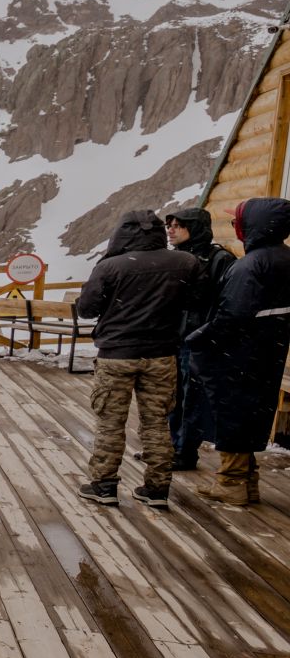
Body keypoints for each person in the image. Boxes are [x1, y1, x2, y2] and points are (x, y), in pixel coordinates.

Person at [74, 210, 204, 510]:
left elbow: (87, 309)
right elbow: (196, 300)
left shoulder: (110, 266)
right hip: (161, 354)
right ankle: (157, 488)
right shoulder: (185, 263)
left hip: (117, 354)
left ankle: (103, 484)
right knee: (157, 421)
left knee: (110, 421)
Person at [185, 197, 290, 508]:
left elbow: (232, 315)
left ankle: (230, 482)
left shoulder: (250, 265)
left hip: (239, 352)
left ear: (254, 225)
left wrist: (199, 337)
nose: (235, 227)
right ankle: (247, 481)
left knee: (231, 411)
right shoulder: (285, 259)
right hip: (269, 350)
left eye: (237, 222)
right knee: (251, 411)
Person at [166, 207, 237, 472]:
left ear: (194, 227)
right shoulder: (175, 258)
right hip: (174, 336)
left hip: (199, 339)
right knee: (173, 395)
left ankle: (185, 451)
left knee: (191, 397)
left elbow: (225, 301)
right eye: (169, 225)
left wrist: (209, 332)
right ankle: (171, 446)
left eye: (178, 225)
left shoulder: (219, 259)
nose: (171, 230)